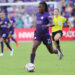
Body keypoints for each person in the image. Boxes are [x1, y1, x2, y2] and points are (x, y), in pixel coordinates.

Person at [29, 1, 62, 68]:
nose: (38, 8)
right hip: (38, 34)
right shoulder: (37, 14)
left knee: (51, 51)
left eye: (40, 7)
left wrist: (47, 25)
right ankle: (31, 64)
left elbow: (52, 24)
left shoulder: (47, 14)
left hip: (45, 35)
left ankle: (57, 52)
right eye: (38, 6)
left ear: (43, 7)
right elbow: (38, 22)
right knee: (34, 47)